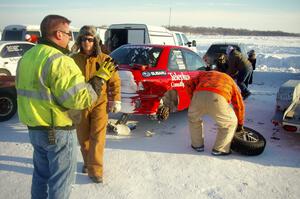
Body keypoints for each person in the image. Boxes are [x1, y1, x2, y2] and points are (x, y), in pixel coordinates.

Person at [16, 15, 115, 199]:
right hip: (57, 131)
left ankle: (95, 167)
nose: (72, 38)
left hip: (35, 129)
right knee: (61, 181)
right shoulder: (60, 60)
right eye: (70, 34)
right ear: (59, 34)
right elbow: (80, 99)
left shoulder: (27, 57)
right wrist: (100, 78)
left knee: (41, 176)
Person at [71, 26, 121, 183]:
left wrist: (115, 99)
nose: (87, 42)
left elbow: (115, 82)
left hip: (100, 103)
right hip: (80, 104)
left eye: (90, 39)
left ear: (96, 41)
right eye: (84, 39)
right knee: (83, 138)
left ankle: (96, 170)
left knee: (98, 137)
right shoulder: (72, 60)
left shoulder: (105, 59)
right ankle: (87, 162)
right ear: (79, 40)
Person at [185, 63, 245, 156]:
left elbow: (188, 84)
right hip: (218, 97)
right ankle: (220, 149)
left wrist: (193, 98)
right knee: (229, 123)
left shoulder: (204, 74)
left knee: (194, 120)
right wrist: (240, 123)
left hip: (198, 95)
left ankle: (197, 145)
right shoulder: (230, 80)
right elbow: (238, 104)